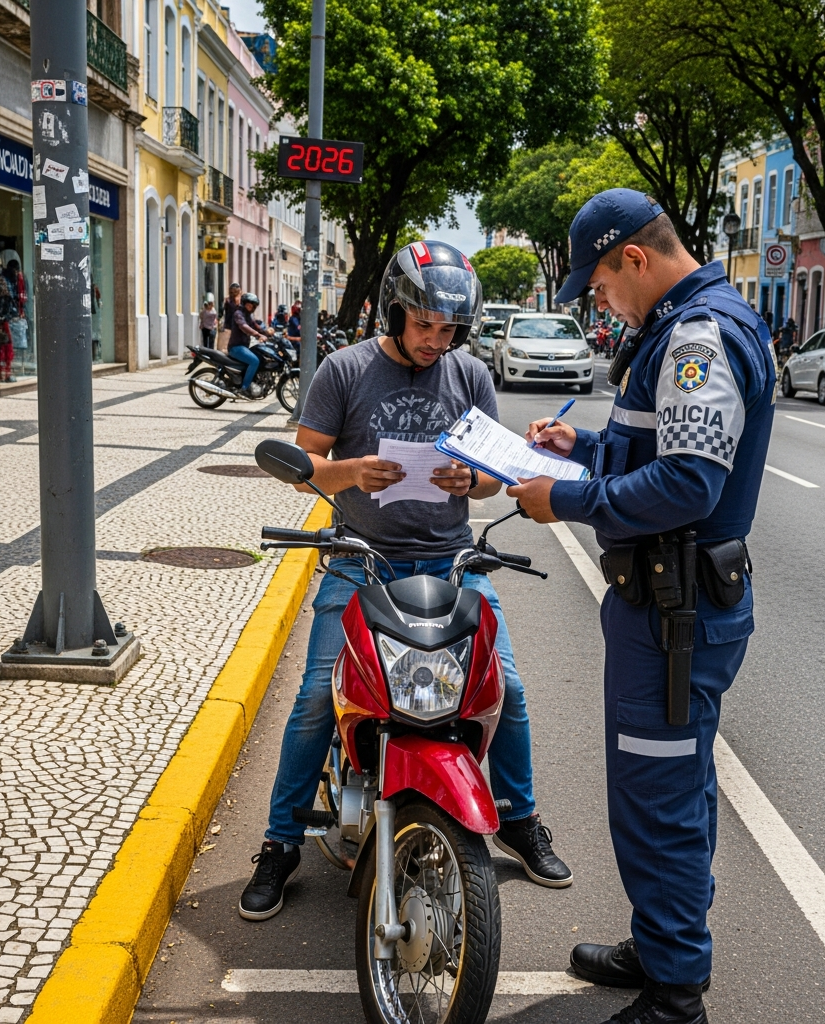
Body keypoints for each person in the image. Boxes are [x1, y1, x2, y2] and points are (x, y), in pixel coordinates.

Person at [238, 239, 572, 923]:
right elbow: (304, 460)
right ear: (395, 311)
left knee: (503, 685)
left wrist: (468, 480)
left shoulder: (471, 376)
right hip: (359, 561)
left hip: (452, 559)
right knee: (313, 695)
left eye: (449, 330)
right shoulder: (344, 369)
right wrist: (353, 471)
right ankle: (278, 842)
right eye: (424, 325)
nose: (435, 341)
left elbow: (491, 479)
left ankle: (520, 815)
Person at [509, 190, 776, 1024]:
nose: (597, 302)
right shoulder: (688, 322)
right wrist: (583, 448)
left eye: (595, 286)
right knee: (675, 789)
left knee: (658, 801)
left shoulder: (696, 336)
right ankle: (663, 946)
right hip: (671, 603)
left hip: (674, 611)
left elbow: (690, 483)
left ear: (633, 258)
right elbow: (658, 451)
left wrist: (569, 500)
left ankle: (674, 999)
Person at [228, 292, 270, 398]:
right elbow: (244, 327)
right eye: (248, 304)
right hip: (236, 347)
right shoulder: (239, 314)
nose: (250, 307)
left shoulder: (248, 316)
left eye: (252, 305)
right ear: (244, 303)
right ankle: (244, 388)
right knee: (254, 361)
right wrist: (258, 335)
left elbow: (255, 326)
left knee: (260, 357)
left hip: (243, 347)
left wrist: (267, 333)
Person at [219, 283, 241, 352]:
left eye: (235, 292)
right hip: (229, 326)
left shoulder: (240, 300)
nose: (233, 293)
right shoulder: (228, 301)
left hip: (237, 326)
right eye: (232, 292)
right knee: (226, 345)